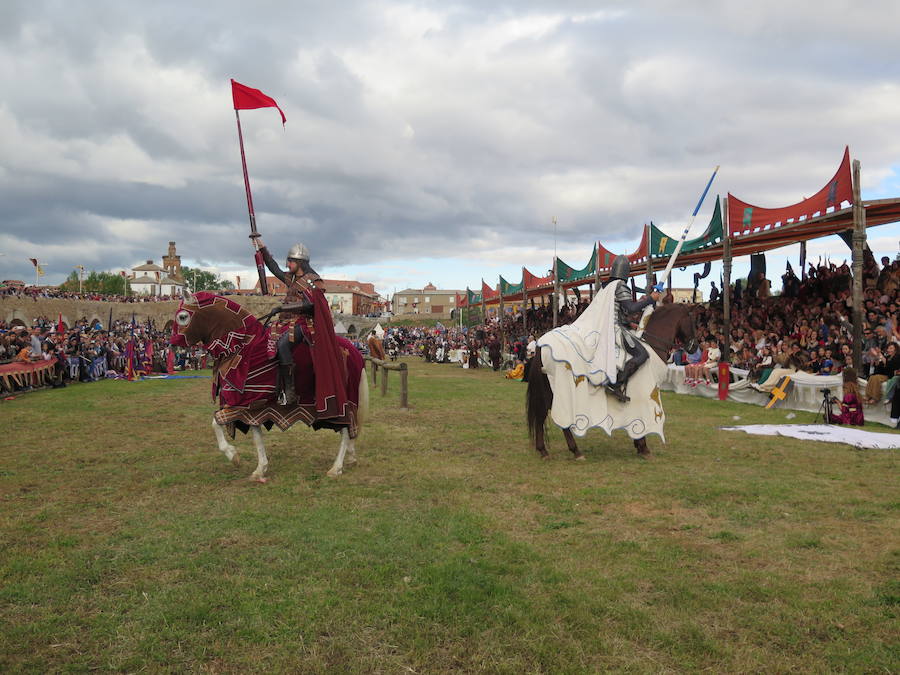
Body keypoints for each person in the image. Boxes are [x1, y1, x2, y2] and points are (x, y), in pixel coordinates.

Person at [254, 237, 348, 416]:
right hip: (286, 321)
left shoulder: (312, 280)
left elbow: (311, 305)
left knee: (282, 344)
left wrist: (283, 307)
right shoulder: (291, 278)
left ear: (299, 262)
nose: (287, 264)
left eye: (290, 261)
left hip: (304, 323)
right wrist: (263, 248)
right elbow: (273, 268)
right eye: (288, 261)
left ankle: (290, 391)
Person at [604, 255, 660, 402]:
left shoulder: (607, 286)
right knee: (642, 354)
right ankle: (616, 383)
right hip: (614, 328)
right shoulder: (620, 286)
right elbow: (631, 308)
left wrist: (629, 324)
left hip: (611, 326)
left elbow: (620, 311)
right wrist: (650, 299)